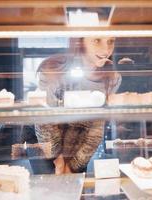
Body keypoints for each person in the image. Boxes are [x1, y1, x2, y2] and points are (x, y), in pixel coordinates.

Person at [35, 37, 121, 174]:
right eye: (96, 40)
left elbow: (97, 129)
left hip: (78, 146)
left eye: (111, 41)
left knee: (75, 190)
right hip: (43, 142)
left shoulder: (112, 78)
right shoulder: (53, 68)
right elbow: (43, 120)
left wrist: (74, 165)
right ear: (81, 41)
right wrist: (58, 158)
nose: (106, 50)